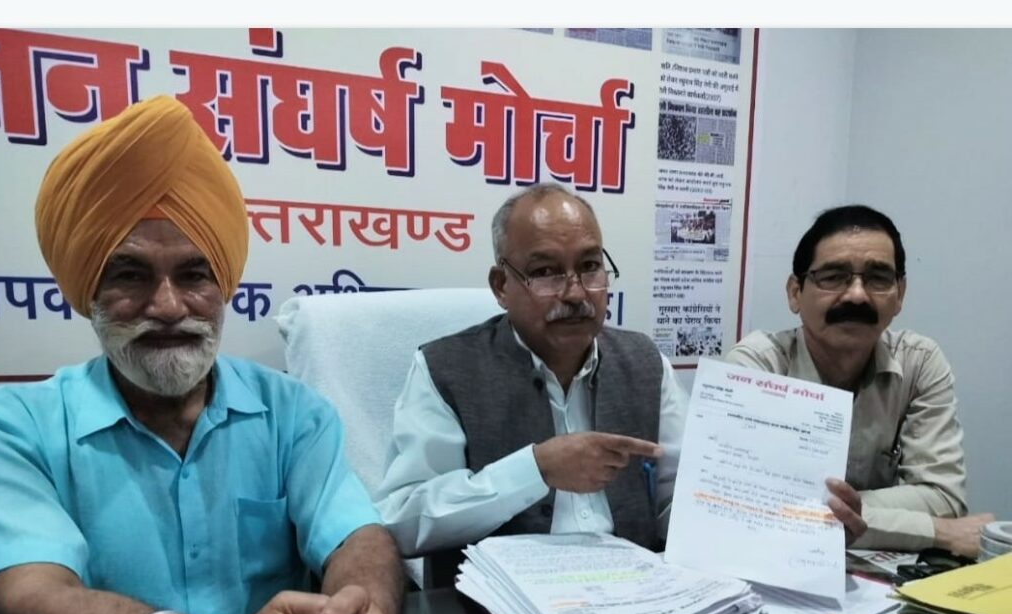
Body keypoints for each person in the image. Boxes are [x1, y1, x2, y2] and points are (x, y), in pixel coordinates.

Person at [0, 96, 403, 614]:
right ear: (87, 291)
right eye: (130, 275)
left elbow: (357, 535)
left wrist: (365, 609)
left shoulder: (292, 412)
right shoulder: (14, 428)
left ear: (224, 285)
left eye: (193, 275)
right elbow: (35, 604)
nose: (167, 306)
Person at [374, 183, 866, 583]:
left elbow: (682, 500)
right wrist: (534, 471)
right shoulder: (444, 367)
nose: (575, 293)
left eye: (590, 267)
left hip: (634, 600)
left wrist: (793, 529)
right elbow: (402, 520)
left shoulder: (644, 362)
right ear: (501, 286)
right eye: (546, 272)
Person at [726, 204, 993, 557]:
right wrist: (934, 531)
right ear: (795, 292)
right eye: (833, 276)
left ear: (900, 294)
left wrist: (820, 511)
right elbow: (744, 507)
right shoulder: (759, 366)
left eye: (878, 278)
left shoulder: (919, 362)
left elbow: (943, 498)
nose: (856, 295)